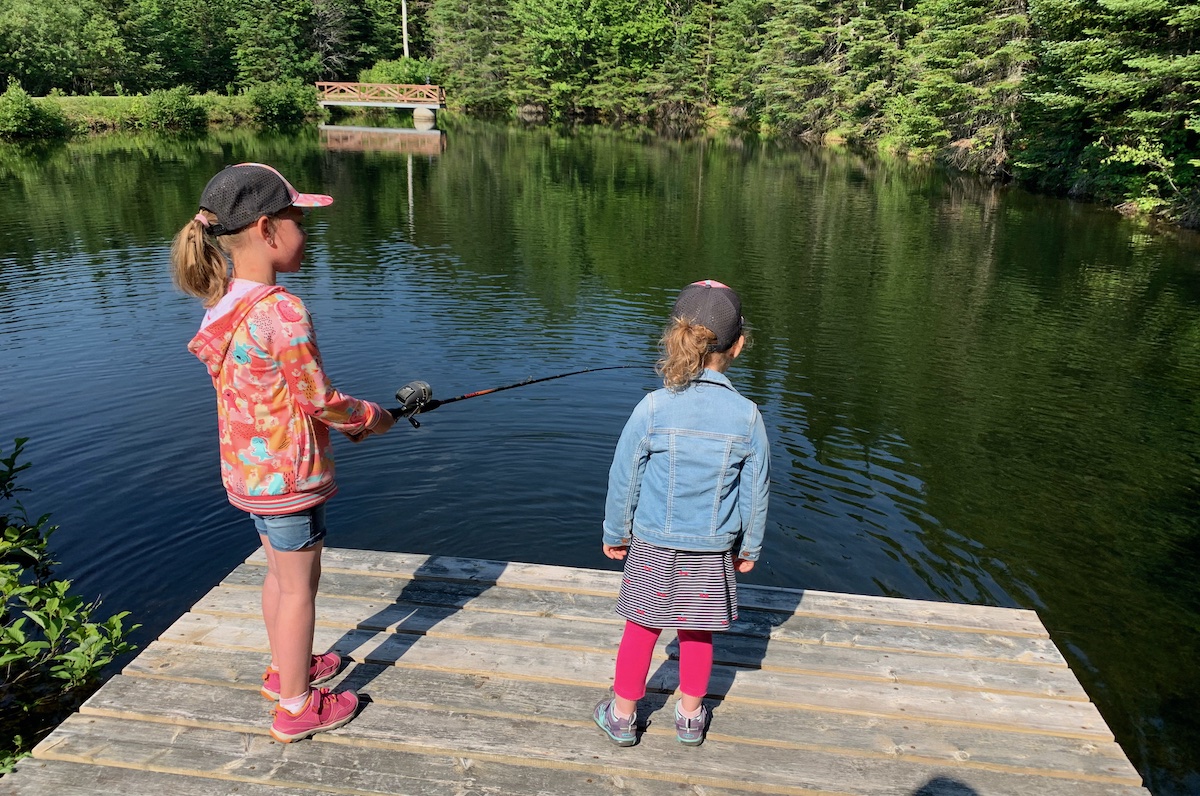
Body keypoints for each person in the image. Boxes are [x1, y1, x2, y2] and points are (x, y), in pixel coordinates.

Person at [171, 163, 395, 743]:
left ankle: (283, 669)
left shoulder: (223, 304)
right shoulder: (282, 310)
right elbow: (319, 399)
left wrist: (334, 420)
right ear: (268, 229)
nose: (306, 231)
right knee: (300, 588)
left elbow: (277, 394)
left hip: (248, 475)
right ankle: (297, 706)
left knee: (277, 576)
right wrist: (371, 419)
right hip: (290, 479)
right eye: (298, 219)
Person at [594, 279, 770, 747]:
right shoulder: (748, 416)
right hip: (711, 550)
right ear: (738, 346)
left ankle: (622, 716)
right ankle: (690, 717)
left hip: (652, 545)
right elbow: (757, 489)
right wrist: (749, 545)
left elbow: (623, 477)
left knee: (640, 630)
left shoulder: (653, 407)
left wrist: (617, 531)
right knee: (697, 634)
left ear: (678, 334)